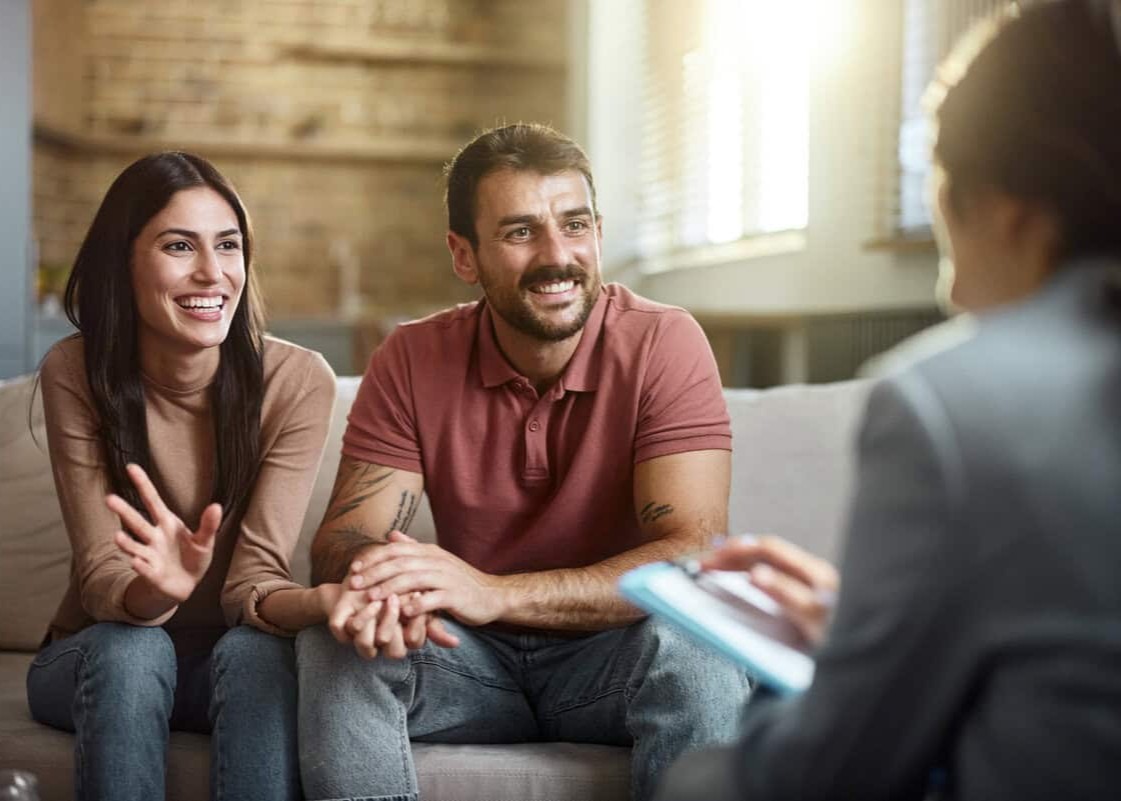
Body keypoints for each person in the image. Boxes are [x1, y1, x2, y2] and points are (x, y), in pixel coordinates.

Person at [654, 2, 1121, 800]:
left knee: (703, 778)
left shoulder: (945, 402)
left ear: (1000, 205)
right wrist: (869, 620)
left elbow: (826, 772)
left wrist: (822, 671)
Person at [296, 123, 750, 801]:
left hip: (614, 654)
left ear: (597, 231)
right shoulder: (412, 357)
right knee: (335, 641)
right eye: (518, 232)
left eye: (573, 225)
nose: (556, 255)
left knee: (703, 650)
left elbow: (688, 552)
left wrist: (492, 590)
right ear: (463, 255)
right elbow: (341, 538)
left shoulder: (663, 340)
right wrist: (387, 582)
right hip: (467, 662)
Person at [27, 152, 342, 801]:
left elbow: (254, 579)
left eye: (228, 246)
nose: (212, 272)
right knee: (134, 649)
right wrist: (155, 590)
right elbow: (99, 578)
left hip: (226, 661)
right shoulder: (75, 371)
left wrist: (326, 604)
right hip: (97, 654)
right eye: (178, 245)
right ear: (124, 261)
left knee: (260, 656)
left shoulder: (296, 380)